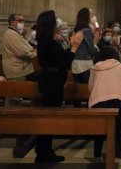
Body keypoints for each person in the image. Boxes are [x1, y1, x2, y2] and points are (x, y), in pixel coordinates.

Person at [34, 10, 83, 164]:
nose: (57, 22)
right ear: (50, 23)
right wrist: (74, 47)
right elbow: (64, 62)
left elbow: (60, 58)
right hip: (51, 82)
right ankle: (44, 153)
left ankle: (43, 150)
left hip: (51, 80)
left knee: (48, 117)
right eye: (54, 20)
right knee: (49, 118)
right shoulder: (48, 41)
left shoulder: (45, 39)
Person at [88, 46, 121, 160]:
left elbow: (91, 87)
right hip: (119, 101)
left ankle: (97, 154)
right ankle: (116, 153)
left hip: (99, 102)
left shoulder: (95, 68)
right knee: (117, 128)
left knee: (99, 128)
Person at [72, 8, 99, 106]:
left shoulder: (76, 29)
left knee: (77, 89)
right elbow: (91, 49)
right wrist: (95, 44)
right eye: (91, 14)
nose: (93, 16)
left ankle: (76, 110)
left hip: (75, 63)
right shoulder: (86, 30)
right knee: (88, 90)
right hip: (85, 63)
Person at [2, 13, 37, 81]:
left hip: (20, 70)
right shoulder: (12, 34)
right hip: (16, 71)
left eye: (23, 21)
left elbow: (26, 47)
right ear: (12, 22)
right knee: (18, 91)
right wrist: (35, 53)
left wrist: (23, 36)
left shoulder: (15, 33)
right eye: (20, 20)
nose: (22, 23)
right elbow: (23, 52)